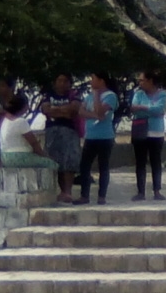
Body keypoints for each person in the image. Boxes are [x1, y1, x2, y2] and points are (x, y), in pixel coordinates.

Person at [76, 72, 118, 204]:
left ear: (101, 81)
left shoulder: (110, 96)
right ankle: (84, 195)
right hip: (90, 136)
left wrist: (97, 95)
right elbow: (81, 112)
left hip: (105, 136)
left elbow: (100, 111)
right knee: (84, 166)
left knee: (103, 166)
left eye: (93, 79)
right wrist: (95, 116)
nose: (91, 81)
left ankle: (102, 196)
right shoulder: (88, 96)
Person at [40, 75, 82, 204]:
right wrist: (64, 111)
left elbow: (74, 109)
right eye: (59, 80)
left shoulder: (74, 95)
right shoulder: (48, 95)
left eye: (65, 81)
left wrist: (55, 110)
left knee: (69, 161)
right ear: (55, 83)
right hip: (52, 131)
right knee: (55, 160)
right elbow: (46, 110)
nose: (62, 83)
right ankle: (62, 191)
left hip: (70, 131)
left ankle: (68, 192)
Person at [130, 70, 166, 201]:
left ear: (150, 81)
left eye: (142, 80)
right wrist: (151, 109)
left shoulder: (162, 94)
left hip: (156, 132)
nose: (140, 83)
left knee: (155, 162)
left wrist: (143, 108)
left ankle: (157, 190)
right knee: (140, 162)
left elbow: (160, 109)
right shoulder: (138, 94)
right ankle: (140, 192)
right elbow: (134, 109)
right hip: (140, 131)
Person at [0, 95, 57, 169]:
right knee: (52, 164)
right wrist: (45, 156)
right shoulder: (21, 122)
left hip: (5, 157)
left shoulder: (5, 121)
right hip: (19, 157)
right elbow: (34, 143)